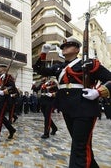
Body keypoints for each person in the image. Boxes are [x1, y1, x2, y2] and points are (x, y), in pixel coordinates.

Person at [33, 36, 111, 167]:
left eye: (68, 46)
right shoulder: (59, 67)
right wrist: (43, 54)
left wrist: (98, 92)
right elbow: (39, 69)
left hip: (84, 108)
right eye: (63, 47)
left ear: (77, 49)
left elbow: (109, 79)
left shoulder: (88, 64)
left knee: (79, 148)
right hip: (67, 109)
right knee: (81, 145)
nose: (64, 48)